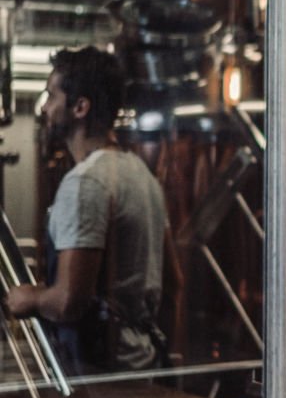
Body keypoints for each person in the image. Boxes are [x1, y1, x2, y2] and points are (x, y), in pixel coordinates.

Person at [5, 46, 168, 374]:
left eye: (52, 96)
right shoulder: (140, 174)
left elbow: (69, 301)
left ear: (80, 107)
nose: (45, 107)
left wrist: (28, 299)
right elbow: (174, 284)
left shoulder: (85, 183)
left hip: (101, 374)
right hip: (142, 363)